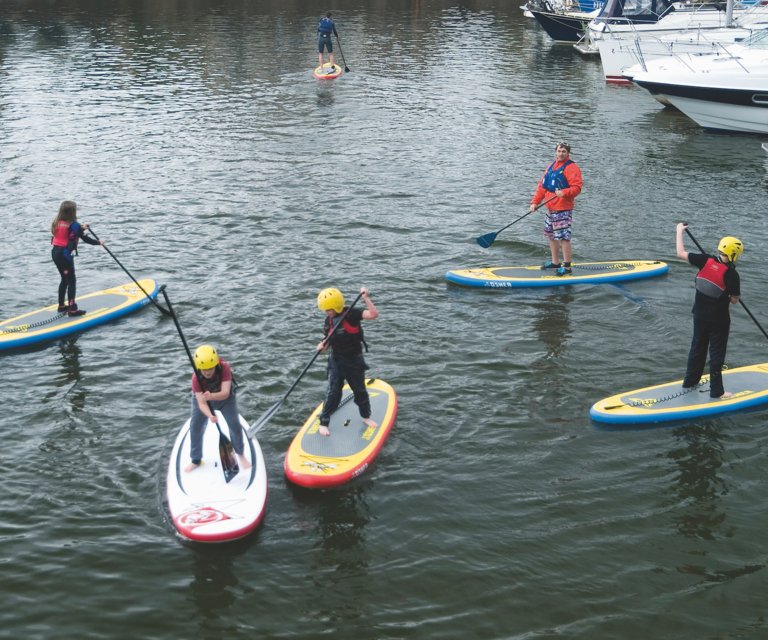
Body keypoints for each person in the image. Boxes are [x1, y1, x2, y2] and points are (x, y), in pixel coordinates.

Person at [675, 223, 742, 399]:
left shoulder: (705, 260)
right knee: (716, 354)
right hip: (718, 321)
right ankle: (717, 392)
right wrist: (729, 295)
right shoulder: (732, 275)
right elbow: (734, 300)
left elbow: (680, 253)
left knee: (697, 348)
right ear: (734, 255)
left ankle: (690, 381)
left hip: (699, 315)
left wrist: (679, 231)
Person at [316, 286, 379, 437]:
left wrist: (366, 298)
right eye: (325, 310)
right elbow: (328, 342)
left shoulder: (352, 314)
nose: (327, 313)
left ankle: (365, 416)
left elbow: (373, 314)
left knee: (360, 391)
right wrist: (322, 345)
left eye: (329, 309)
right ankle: (324, 422)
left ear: (337, 305)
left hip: (354, 361)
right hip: (336, 361)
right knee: (333, 393)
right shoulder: (329, 321)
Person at [185, 344, 251, 473]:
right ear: (199, 368)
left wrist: (211, 396)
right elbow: (201, 403)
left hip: (225, 399)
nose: (207, 372)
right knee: (195, 427)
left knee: (235, 425)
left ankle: (240, 454)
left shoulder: (225, 367)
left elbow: (225, 392)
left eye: (210, 368)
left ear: (216, 364)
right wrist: (210, 415)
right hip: (203, 400)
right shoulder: (195, 379)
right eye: (204, 369)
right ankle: (195, 460)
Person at [529, 142, 583, 276]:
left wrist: (564, 192)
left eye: (564, 151)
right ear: (555, 152)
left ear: (568, 153)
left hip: (563, 208)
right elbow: (542, 187)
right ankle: (555, 262)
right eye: (559, 151)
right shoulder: (551, 166)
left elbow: (577, 188)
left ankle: (567, 267)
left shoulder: (572, 168)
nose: (561, 154)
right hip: (550, 207)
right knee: (551, 235)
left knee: (564, 238)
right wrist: (535, 202)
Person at [50, 200, 104, 316]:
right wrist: (98, 242)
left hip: (55, 253)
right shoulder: (74, 225)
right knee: (71, 280)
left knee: (64, 279)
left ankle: (61, 306)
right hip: (65, 255)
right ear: (72, 212)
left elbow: (70, 232)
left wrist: (81, 228)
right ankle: (72, 309)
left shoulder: (56, 222)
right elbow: (85, 239)